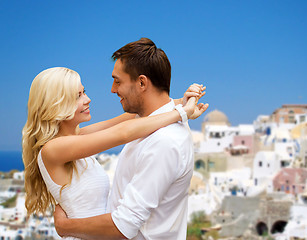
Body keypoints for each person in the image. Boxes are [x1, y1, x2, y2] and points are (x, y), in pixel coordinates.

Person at [22, 65, 207, 239]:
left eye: (84, 92)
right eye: (77, 96)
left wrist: (180, 102)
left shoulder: (78, 137)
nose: (87, 99)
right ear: (57, 104)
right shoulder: (53, 149)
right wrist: (181, 113)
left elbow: (131, 116)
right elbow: (123, 133)